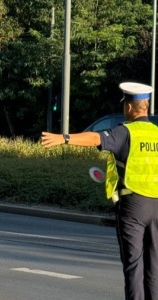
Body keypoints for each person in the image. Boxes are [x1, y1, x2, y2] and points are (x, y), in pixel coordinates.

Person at [41, 82, 158, 300]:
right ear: (147, 105)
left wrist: (64, 138)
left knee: (134, 266)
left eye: (125, 105)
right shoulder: (156, 133)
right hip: (157, 205)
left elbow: (97, 138)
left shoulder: (126, 131)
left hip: (134, 206)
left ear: (130, 108)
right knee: (154, 266)